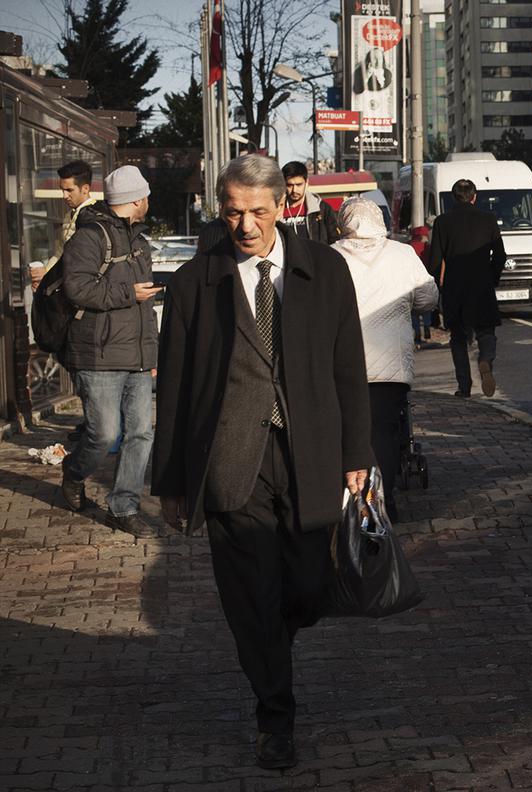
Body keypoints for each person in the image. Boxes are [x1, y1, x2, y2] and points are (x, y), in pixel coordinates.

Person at [152, 154, 371, 771]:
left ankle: (281, 627)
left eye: (257, 212)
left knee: (304, 586)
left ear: (283, 207)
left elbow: (348, 367)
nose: (244, 226)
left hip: (310, 454)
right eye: (231, 214)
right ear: (218, 211)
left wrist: (358, 453)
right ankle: (276, 717)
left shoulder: (324, 270)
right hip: (229, 461)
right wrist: (171, 479)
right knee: (252, 598)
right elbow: (173, 386)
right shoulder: (197, 281)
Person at [57, 165, 161, 533]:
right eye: (146, 195)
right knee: (103, 434)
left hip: (135, 357)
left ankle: (123, 507)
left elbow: (145, 309)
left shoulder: (140, 242)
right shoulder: (88, 238)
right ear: (136, 199)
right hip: (97, 355)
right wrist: (127, 293)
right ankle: (73, 472)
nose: (148, 201)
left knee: (140, 434)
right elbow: (77, 289)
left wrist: (152, 356)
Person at [332, 197, 438, 519]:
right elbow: (428, 297)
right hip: (390, 366)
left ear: (344, 223)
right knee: (385, 432)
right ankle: (382, 498)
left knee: (345, 430)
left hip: (341, 365)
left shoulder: (330, 256)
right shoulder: (403, 254)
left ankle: (349, 497)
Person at [427, 178, 506, 398]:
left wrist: (440, 287)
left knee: (459, 338)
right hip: (482, 287)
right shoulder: (488, 220)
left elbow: (434, 262)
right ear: (474, 197)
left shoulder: (442, 222)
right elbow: (500, 256)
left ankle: (464, 386)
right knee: (486, 332)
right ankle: (485, 361)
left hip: (455, 289)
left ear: (453, 197)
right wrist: (491, 278)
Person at [34, 160, 99, 291]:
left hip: (85, 289)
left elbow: (82, 260)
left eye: (69, 190)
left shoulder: (96, 216)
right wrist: (44, 274)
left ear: (85, 188)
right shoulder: (68, 215)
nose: (64, 196)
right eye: (62, 190)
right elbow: (61, 252)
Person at [278, 161, 339, 244]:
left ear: (306, 183)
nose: (294, 190)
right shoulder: (276, 209)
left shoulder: (322, 209)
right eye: (289, 185)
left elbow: (335, 240)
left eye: (299, 185)